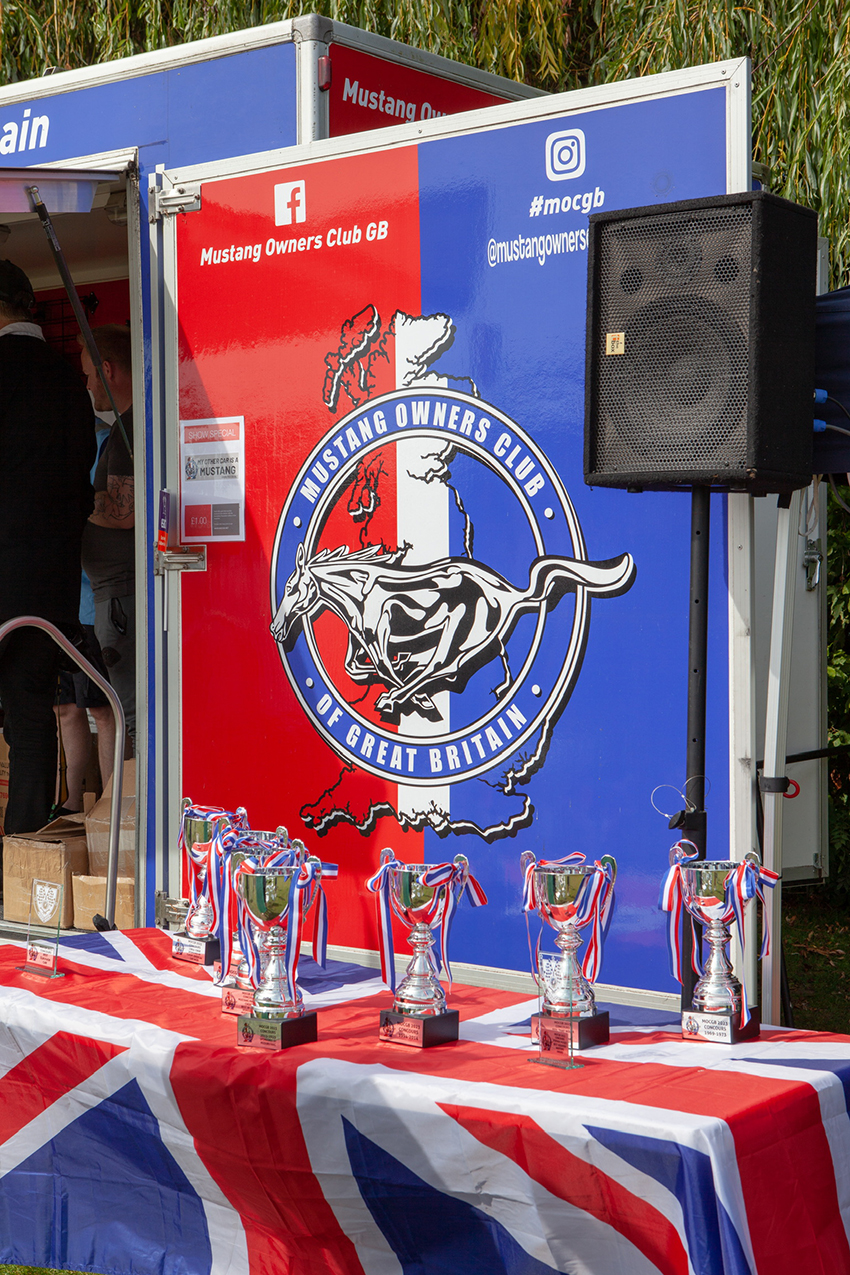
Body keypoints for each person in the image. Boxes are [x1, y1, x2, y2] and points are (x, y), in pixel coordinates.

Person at [0, 260, 95, 834]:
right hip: (51, 582)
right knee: (31, 713)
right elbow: (81, 482)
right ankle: (24, 846)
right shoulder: (68, 381)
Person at [54, 421, 116, 814]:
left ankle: (111, 804)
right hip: (59, 604)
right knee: (65, 707)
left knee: (102, 708)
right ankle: (72, 802)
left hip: (94, 600)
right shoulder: (50, 442)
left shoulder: (106, 441)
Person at [79, 325, 136, 749]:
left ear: (108, 370)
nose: (87, 386)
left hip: (121, 598)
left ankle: (136, 793)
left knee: (130, 713)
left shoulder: (128, 429)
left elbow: (123, 513)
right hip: (116, 595)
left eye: (88, 375)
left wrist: (68, 502)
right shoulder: (127, 427)